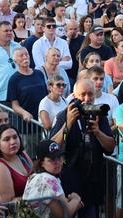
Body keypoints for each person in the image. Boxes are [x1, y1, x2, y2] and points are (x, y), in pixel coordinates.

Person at [50, 79, 115, 218]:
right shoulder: (64, 115)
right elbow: (52, 147)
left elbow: (110, 147)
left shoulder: (98, 115)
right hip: (69, 181)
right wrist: (68, 124)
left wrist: (98, 132)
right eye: (83, 94)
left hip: (92, 181)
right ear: (74, 96)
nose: (87, 99)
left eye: (90, 94)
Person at [22, 140, 83, 218]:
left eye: (60, 157)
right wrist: (76, 199)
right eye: (52, 159)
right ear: (41, 163)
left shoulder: (35, 176)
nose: (58, 162)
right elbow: (65, 214)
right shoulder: (48, 179)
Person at [0, 125, 32, 202]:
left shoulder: (23, 155)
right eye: (7, 139)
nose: (13, 142)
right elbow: (8, 203)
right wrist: (37, 196)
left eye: (15, 137)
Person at [7, 48, 48, 123]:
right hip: (28, 123)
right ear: (15, 61)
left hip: (44, 120)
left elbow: (46, 95)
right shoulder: (14, 80)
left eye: (26, 54)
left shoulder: (39, 73)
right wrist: (24, 113)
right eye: (21, 55)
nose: (25, 57)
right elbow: (14, 105)